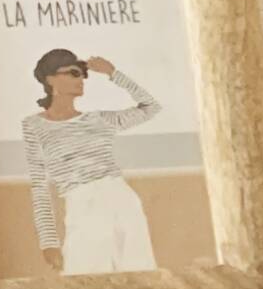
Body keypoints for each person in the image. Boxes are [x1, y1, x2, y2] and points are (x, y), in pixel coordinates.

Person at [19, 50, 162, 275]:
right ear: (50, 79)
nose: (81, 79)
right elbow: (39, 186)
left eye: (84, 74)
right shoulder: (34, 125)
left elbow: (151, 107)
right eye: (74, 73)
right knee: (83, 281)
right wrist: (48, 242)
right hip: (81, 205)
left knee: (138, 278)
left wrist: (112, 73)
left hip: (121, 199)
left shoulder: (99, 120)